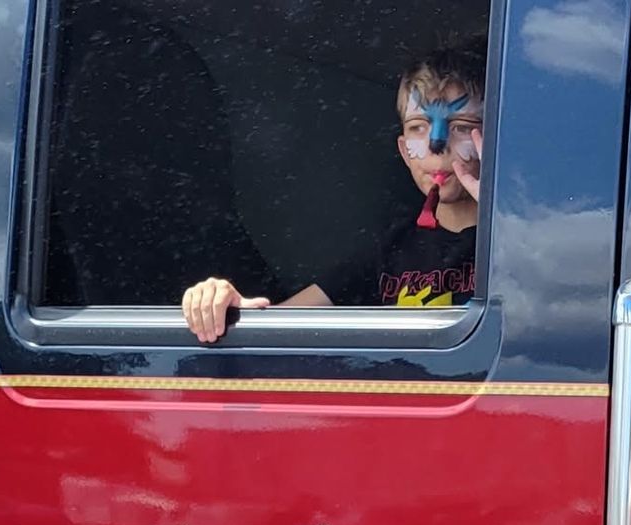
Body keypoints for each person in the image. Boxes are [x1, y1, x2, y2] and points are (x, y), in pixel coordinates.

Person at [181, 43, 486, 343]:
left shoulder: (508, 243)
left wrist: (503, 212)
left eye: (460, 126)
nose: (437, 144)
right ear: (405, 152)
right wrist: (225, 304)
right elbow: (277, 326)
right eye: (418, 126)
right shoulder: (391, 250)